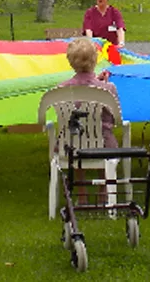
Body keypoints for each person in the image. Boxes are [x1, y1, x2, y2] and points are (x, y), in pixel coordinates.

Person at [58, 38, 119, 203]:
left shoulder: (61, 89)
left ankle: (82, 192)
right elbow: (114, 117)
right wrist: (101, 84)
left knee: (77, 137)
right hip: (103, 145)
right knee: (103, 135)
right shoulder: (108, 88)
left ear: (71, 62)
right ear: (95, 59)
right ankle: (103, 190)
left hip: (71, 147)